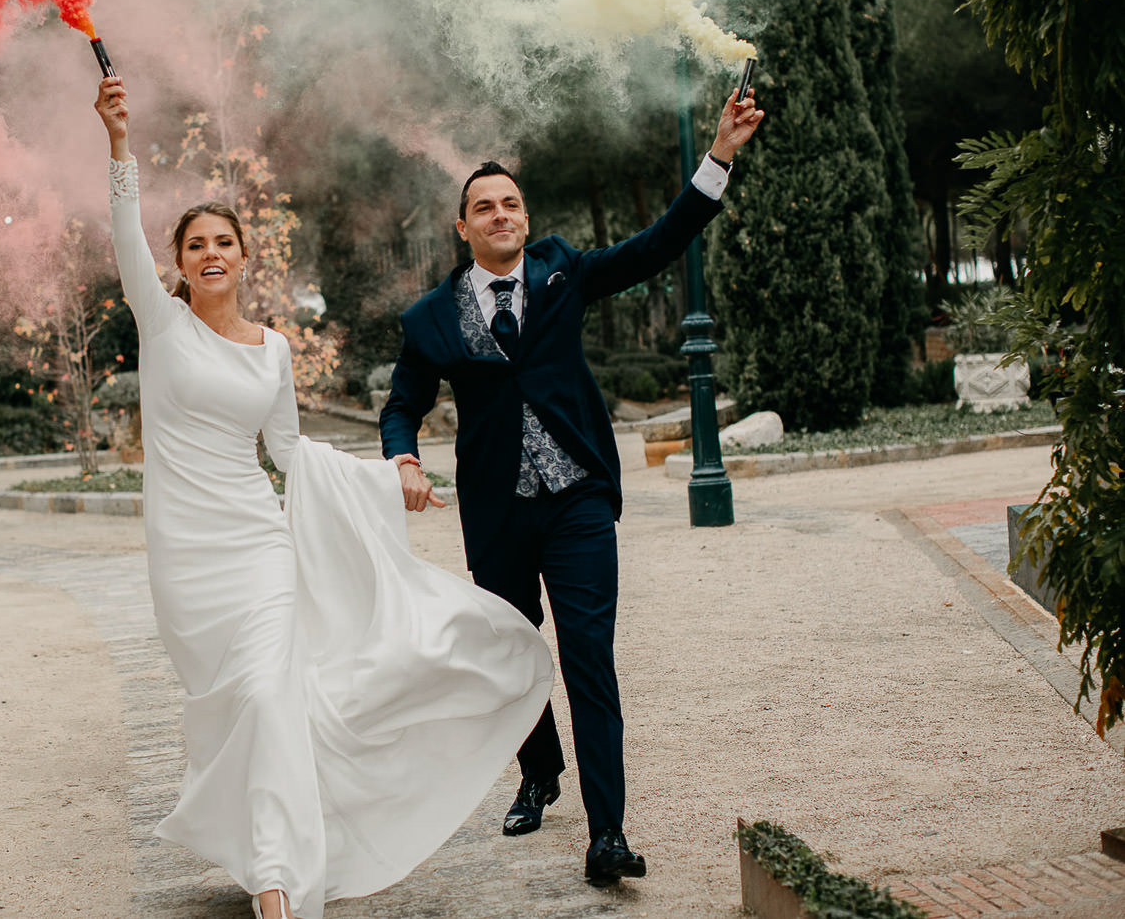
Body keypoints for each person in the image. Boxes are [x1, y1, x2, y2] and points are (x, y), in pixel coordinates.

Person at [93, 76, 554, 919]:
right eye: (194, 245)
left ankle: (275, 880)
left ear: (243, 256)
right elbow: (124, 237)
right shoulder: (160, 326)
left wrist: (392, 475)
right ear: (180, 264)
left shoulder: (272, 353)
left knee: (272, 694)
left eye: (222, 242)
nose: (209, 255)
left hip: (257, 547)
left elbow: (289, 451)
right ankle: (263, 844)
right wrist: (120, 145)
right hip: (186, 562)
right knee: (240, 707)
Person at [379, 88, 764, 886]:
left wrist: (718, 154)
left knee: (589, 656)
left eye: (510, 203)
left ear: (526, 216)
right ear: (464, 227)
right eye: (483, 208)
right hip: (497, 514)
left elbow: (660, 243)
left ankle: (608, 834)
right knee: (516, 655)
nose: (500, 215)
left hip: (579, 499)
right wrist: (405, 461)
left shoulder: (565, 272)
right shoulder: (432, 319)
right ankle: (538, 769)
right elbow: (401, 406)